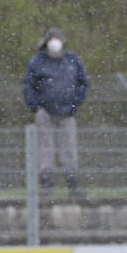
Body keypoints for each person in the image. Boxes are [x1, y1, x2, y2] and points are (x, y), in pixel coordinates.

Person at [22, 27, 90, 197]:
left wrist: (74, 105)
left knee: (69, 149)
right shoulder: (38, 61)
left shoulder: (72, 60)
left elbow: (83, 83)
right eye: (51, 39)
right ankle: (46, 183)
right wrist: (36, 107)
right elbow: (28, 85)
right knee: (45, 149)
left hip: (67, 114)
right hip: (45, 113)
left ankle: (72, 183)